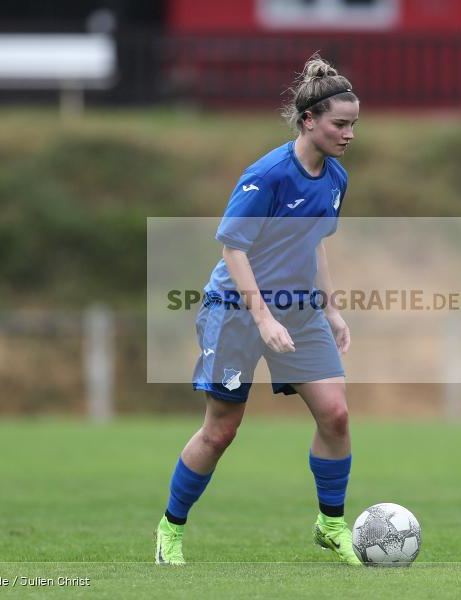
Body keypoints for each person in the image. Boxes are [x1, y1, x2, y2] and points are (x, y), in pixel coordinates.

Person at [155, 54, 361, 566]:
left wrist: (331, 309)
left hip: (299, 310)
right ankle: (170, 530)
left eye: (353, 125)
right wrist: (263, 317)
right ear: (309, 120)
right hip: (235, 310)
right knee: (221, 430)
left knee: (335, 414)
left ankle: (331, 524)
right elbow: (233, 248)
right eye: (340, 124)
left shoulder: (335, 177)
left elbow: (315, 243)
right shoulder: (267, 176)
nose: (349, 134)